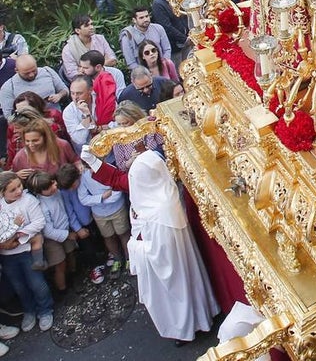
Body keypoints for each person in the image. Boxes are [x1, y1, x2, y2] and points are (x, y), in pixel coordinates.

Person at [80, 148, 219, 344]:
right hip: (167, 253)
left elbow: (163, 262)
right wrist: (92, 161)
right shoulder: (158, 189)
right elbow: (118, 179)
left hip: (171, 277)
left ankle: (186, 328)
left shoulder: (159, 212)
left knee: (177, 293)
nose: (131, 182)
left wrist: (134, 247)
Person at [0, 170, 54, 332]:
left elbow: (39, 222)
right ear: (3, 193)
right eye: (13, 190)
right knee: (19, 286)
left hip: (26, 250)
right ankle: (29, 311)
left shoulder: (28, 200)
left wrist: (18, 236)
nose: (18, 191)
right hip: (7, 255)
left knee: (37, 283)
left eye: (19, 186)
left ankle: (45, 310)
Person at [0, 55, 68, 119]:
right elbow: (9, 117)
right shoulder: (8, 87)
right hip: (30, 126)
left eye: (34, 70)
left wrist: (59, 95)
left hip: (55, 118)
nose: (31, 75)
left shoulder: (47, 71)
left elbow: (65, 90)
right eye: (26, 73)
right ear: (16, 70)